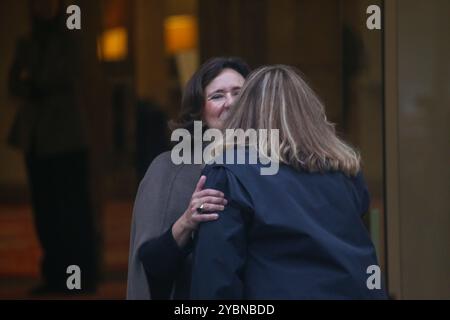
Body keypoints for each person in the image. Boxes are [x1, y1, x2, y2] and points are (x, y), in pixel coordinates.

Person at [190, 65, 388, 299]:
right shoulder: (345, 170)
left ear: (245, 113)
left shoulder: (229, 172)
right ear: (309, 113)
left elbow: (216, 278)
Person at [126, 57, 251, 299]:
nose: (231, 103)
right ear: (201, 112)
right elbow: (152, 264)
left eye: (240, 93)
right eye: (217, 96)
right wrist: (186, 221)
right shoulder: (168, 169)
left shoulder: (272, 163)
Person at [8, 0, 97, 294]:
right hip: (37, 139)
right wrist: (32, 83)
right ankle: (54, 274)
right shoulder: (28, 42)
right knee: (45, 212)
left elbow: (61, 76)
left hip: (66, 139)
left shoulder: (69, 37)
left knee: (71, 211)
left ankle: (77, 277)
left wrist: (35, 82)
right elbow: (14, 83)